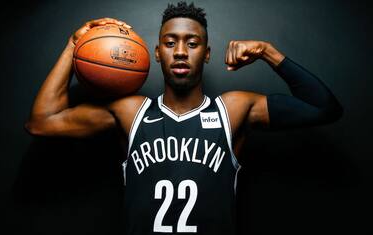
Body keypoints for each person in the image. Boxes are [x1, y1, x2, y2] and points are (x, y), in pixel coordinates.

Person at [25, 1, 343, 234]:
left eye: (192, 43)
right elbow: (42, 121)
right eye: (170, 43)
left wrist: (267, 52)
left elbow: (323, 108)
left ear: (206, 53)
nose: (180, 51)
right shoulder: (130, 111)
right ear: (157, 52)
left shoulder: (231, 110)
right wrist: (73, 45)